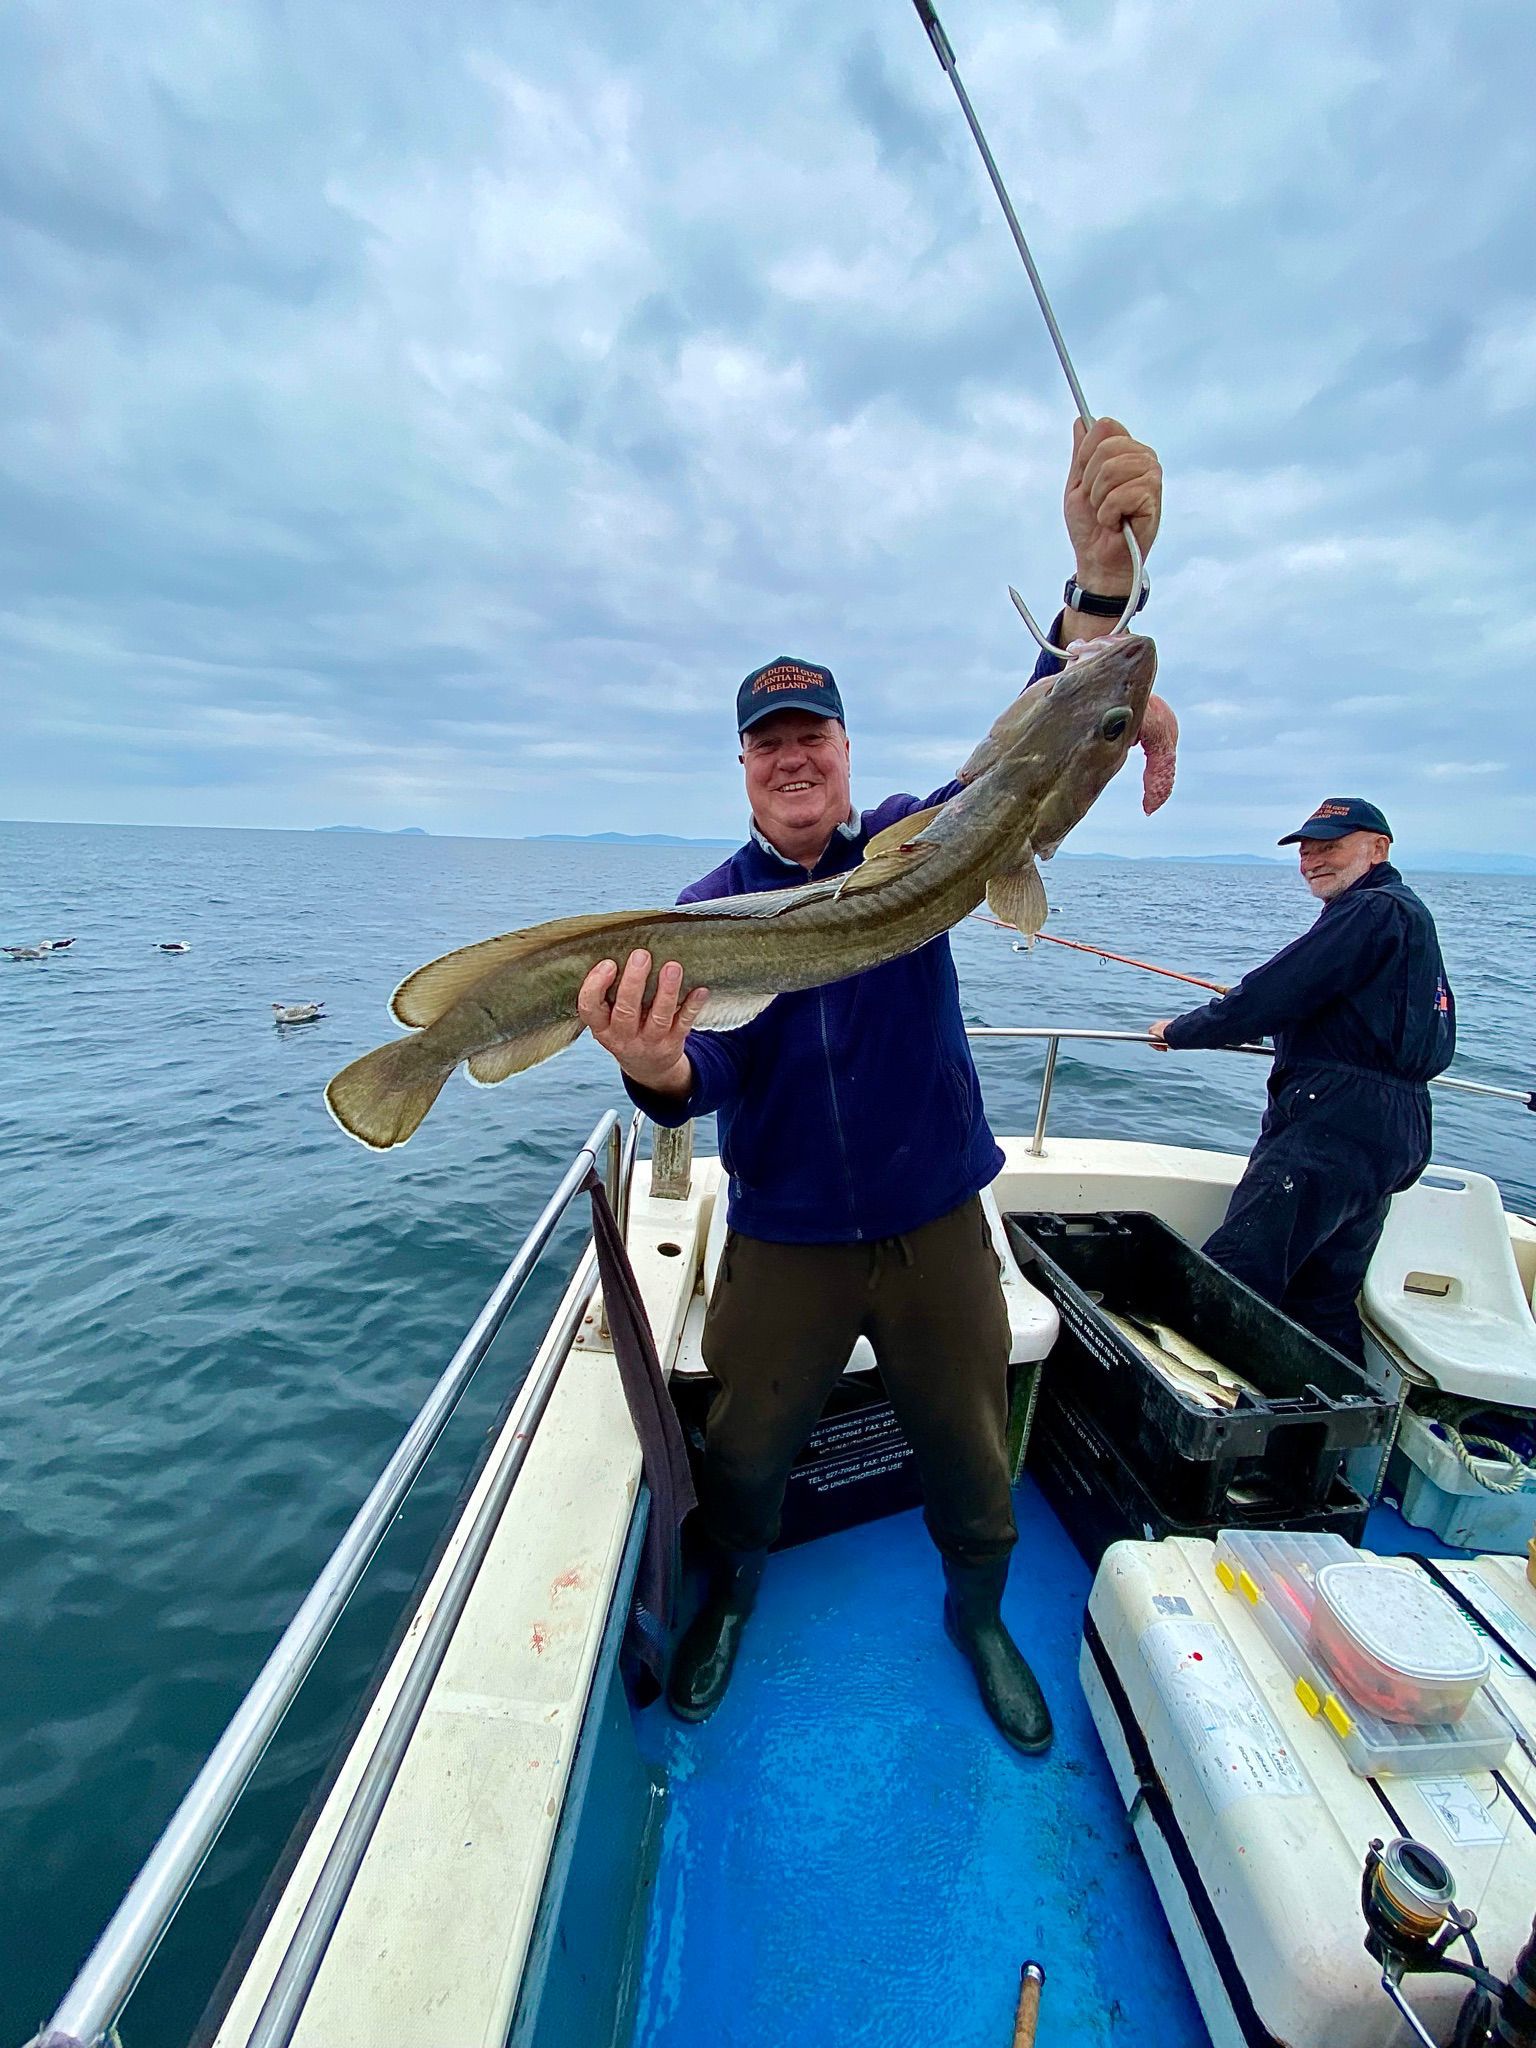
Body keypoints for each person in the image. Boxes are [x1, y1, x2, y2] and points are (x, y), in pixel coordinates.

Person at [575, 419, 1163, 1756]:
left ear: (846, 750)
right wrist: (661, 1071)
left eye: (813, 734)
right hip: (785, 1236)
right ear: (743, 764)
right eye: (769, 740)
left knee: (968, 1447)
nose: (794, 756)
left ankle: (978, 1613)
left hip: (933, 1217)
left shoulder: (917, 838)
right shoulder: (705, 914)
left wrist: (1098, 591)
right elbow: (702, 1071)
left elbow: (1030, 752)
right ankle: (731, 1599)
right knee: (746, 1452)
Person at [1150, 798, 1455, 1363]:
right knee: (1322, 1304)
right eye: (1307, 849)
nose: (1313, 859)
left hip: (1333, 1128)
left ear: (1378, 848)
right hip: (1396, 1132)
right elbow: (1361, 1018)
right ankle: (1324, 1440)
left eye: (1330, 846)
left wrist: (1182, 1030)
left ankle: (1196, 1432)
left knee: (1232, 1279)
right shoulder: (1408, 916)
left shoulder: (1372, 911)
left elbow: (1275, 992)